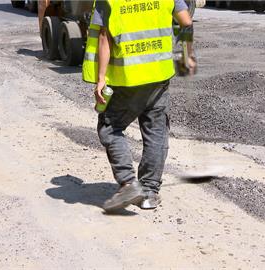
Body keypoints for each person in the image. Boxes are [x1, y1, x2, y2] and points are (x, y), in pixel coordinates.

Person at [82, 0, 193, 212]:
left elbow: (105, 37)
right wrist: (184, 57)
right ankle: (149, 193)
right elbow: (186, 22)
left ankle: (128, 183)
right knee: (156, 131)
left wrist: (101, 78)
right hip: (159, 75)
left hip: (127, 79)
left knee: (109, 126)